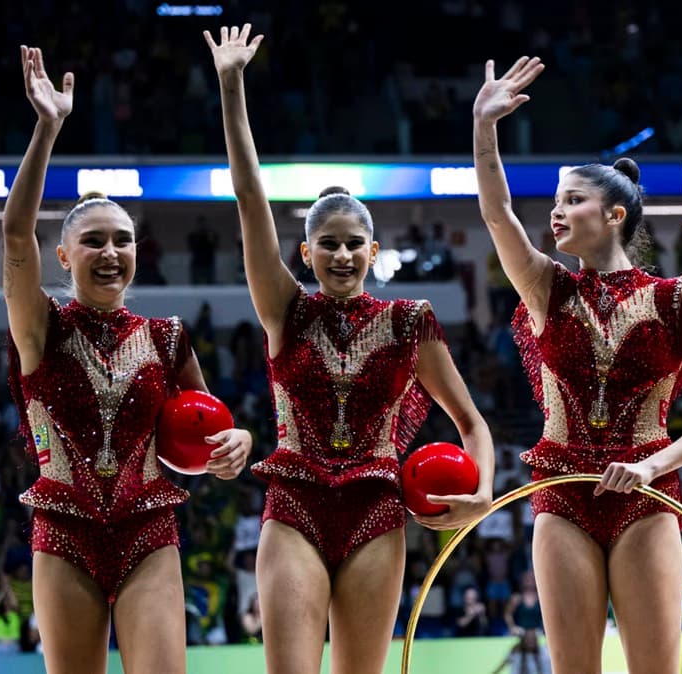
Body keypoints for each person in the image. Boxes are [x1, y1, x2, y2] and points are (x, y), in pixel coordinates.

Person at [206, 24, 495, 673]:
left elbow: (472, 422)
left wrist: (483, 491)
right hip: (294, 509)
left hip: (376, 512)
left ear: (372, 249)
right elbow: (251, 200)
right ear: (304, 252)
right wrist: (231, 87)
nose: (340, 254)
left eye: (352, 243)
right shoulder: (285, 308)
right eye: (326, 244)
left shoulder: (409, 321)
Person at [473, 56, 682, 673]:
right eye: (555, 201)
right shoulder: (547, 288)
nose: (556, 212)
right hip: (562, 491)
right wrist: (484, 129)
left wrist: (652, 465)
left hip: (646, 498)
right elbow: (497, 215)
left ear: (614, 215)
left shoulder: (676, 299)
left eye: (573, 200)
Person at [3, 46, 251, 674]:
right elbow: (13, 233)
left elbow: (207, 432)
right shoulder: (41, 329)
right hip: (63, 533)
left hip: (148, 532)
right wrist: (47, 127)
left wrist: (236, 444)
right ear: (65, 257)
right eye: (93, 241)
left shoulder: (169, 338)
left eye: (123, 239)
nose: (110, 251)